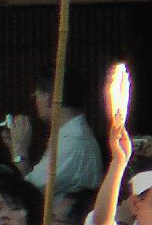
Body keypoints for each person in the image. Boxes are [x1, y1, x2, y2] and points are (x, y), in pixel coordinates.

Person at [6, 67, 102, 199]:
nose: (36, 103)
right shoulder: (69, 134)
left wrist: (20, 151)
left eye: (36, 96)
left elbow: (28, 193)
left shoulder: (72, 139)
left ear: (49, 98)